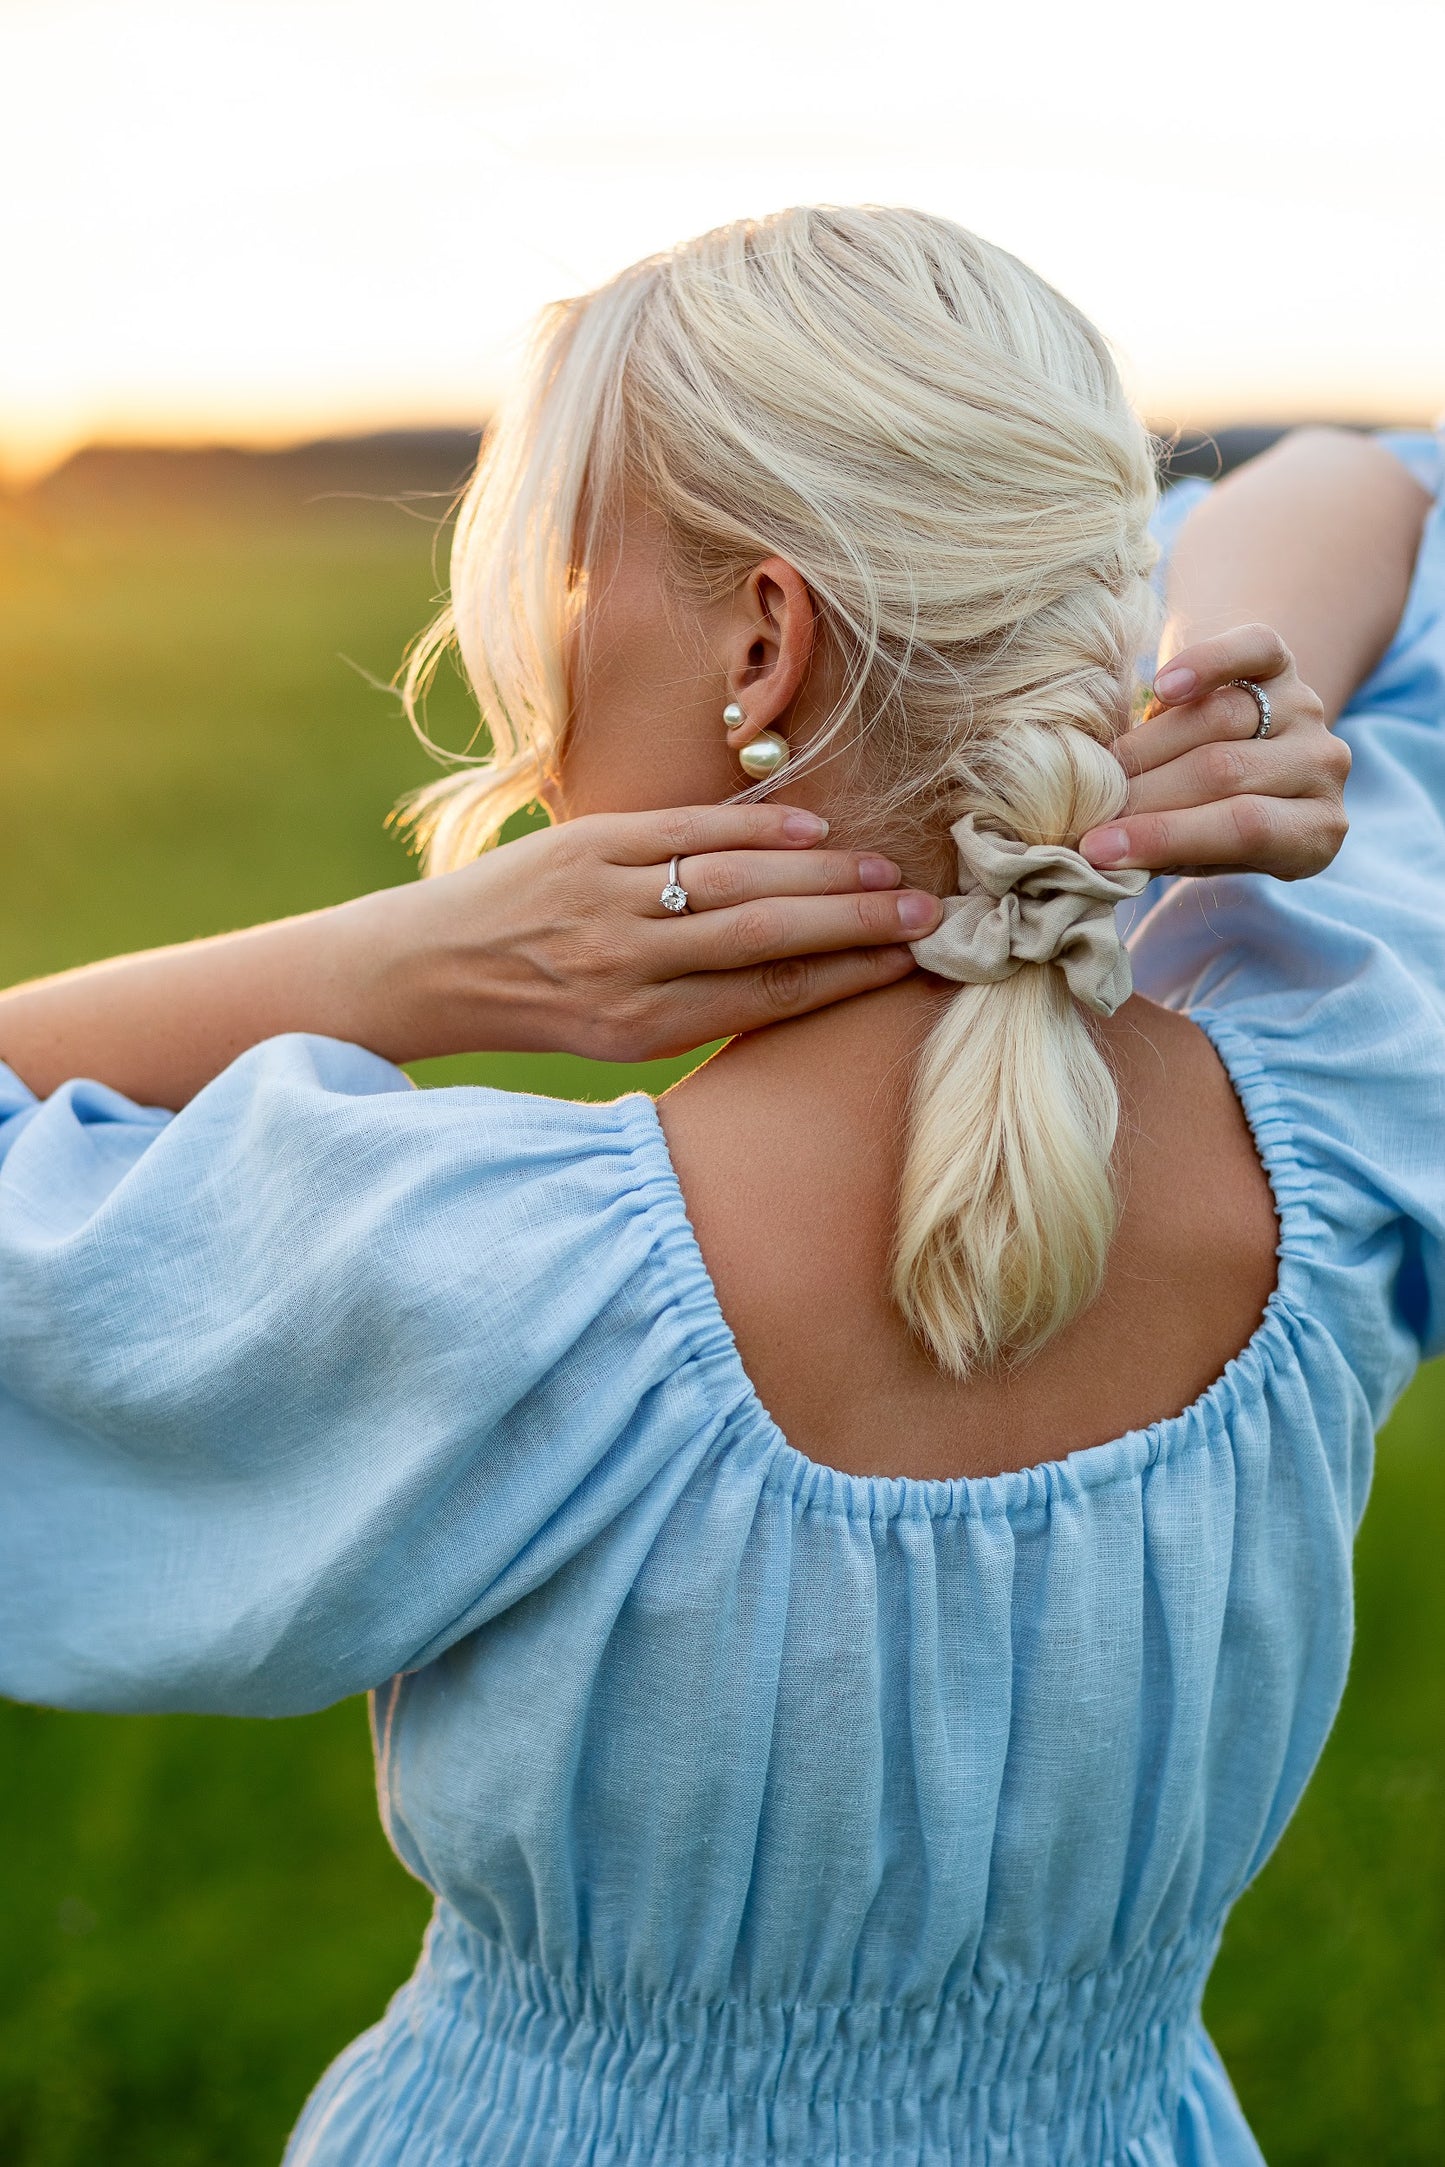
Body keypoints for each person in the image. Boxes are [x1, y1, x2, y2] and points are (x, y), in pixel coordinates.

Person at [0, 205, 1437, 2165]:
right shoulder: (1341, 1095)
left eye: (575, 563)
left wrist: (393, 967)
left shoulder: (486, 1278)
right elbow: (1375, 486)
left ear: (763, 639)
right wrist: (1235, 688)